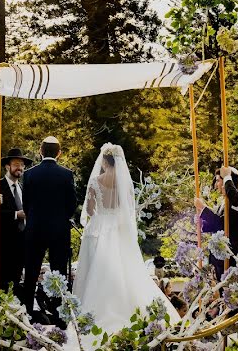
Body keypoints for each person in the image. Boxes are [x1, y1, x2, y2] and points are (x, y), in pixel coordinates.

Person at [71, 143, 179, 339]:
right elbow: (128, 211)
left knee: (100, 269)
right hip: (120, 230)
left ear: (104, 161)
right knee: (125, 269)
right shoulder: (125, 184)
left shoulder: (95, 181)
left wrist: (100, 211)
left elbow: (88, 210)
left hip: (101, 228)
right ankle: (131, 309)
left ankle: (96, 312)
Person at [22, 136, 77, 327]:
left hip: (35, 229)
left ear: (40, 150)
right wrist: (60, 218)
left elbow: (26, 204)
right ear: (59, 153)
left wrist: (35, 218)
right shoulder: (66, 174)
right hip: (58, 231)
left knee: (31, 271)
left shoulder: (29, 174)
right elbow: (72, 205)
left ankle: (27, 312)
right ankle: (59, 316)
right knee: (59, 272)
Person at [0, 147, 32, 297]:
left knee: (15, 285)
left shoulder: (22, 188)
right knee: (0, 285)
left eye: (21, 165)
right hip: (2, 245)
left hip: (20, 245)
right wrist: (15, 214)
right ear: (7, 166)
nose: (19, 168)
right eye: (15, 164)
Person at [194, 168, 238, 279]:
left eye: (218, 181)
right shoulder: (223, 202)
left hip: (228, 256)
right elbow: (215, 225)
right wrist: (202, 223)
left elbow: (222, 225)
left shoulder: (236, 202)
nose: (216, 185)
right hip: (217, 256)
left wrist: (203, 208)